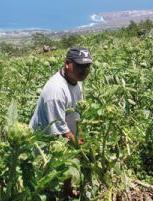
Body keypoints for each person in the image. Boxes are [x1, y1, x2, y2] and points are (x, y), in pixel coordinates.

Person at [29, 47, 92, 199]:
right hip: (43, 141)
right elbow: (58, 128)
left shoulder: (76, 79)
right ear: (67, 64)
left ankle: (66, 192)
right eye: (79, 66)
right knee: (44, 178)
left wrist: (80, 135)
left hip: (64, 134)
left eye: (87, 66)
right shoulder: (56, 91)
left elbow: (77, 113)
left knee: (66, 165)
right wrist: (78, 144)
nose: (84, 70)